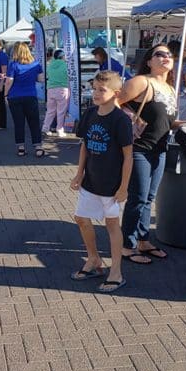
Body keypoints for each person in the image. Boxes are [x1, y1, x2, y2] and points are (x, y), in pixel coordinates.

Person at [70, 70, 133, 294]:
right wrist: (79, 174)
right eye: (94, 88)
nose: (95, 93)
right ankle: (94, 259)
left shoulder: (121, 120)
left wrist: (124, 187)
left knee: (112, 225)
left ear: (115, 93)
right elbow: (85, 145)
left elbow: (128, 156)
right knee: (81, 219)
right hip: (91, 181)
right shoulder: (89, 115)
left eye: (101, 90)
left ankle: (116, 272)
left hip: (113, 186)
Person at [117, 44, 178, 264]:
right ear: (149, 61)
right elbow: (115, 101)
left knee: (148, 198)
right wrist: (126, 123)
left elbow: (166, 121)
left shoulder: (170, 88)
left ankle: (144, 240)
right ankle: (127, 245)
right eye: (159, 54)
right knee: (138, 198)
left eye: (169, 55)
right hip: (139, 149)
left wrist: (185, 124)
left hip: (160, 150)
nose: (165, 58)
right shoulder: (143, 81)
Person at [5, 42, 46, 157]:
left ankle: (21, 148)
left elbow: (9, 81)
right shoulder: (36, 64)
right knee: (34, 122)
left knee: (19, 123)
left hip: (15, 96)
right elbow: (41, 79)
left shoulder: (13, 65)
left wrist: (5, 94)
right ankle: (38, 147)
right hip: (30, 95)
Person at [41, 49, 70, 137]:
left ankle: (45, 128)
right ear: (62, 57)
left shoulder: (50, 65)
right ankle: (60, 130)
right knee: (61, 111)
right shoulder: (66, 65)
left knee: (50, 110)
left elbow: (47, 75)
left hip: (50, 89)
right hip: (62, 89)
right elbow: (69, 76)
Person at [167, 40, 186, 120]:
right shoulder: (184, 66)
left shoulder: (166, 65)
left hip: (168, 98)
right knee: (182, 127)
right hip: (183, 98)